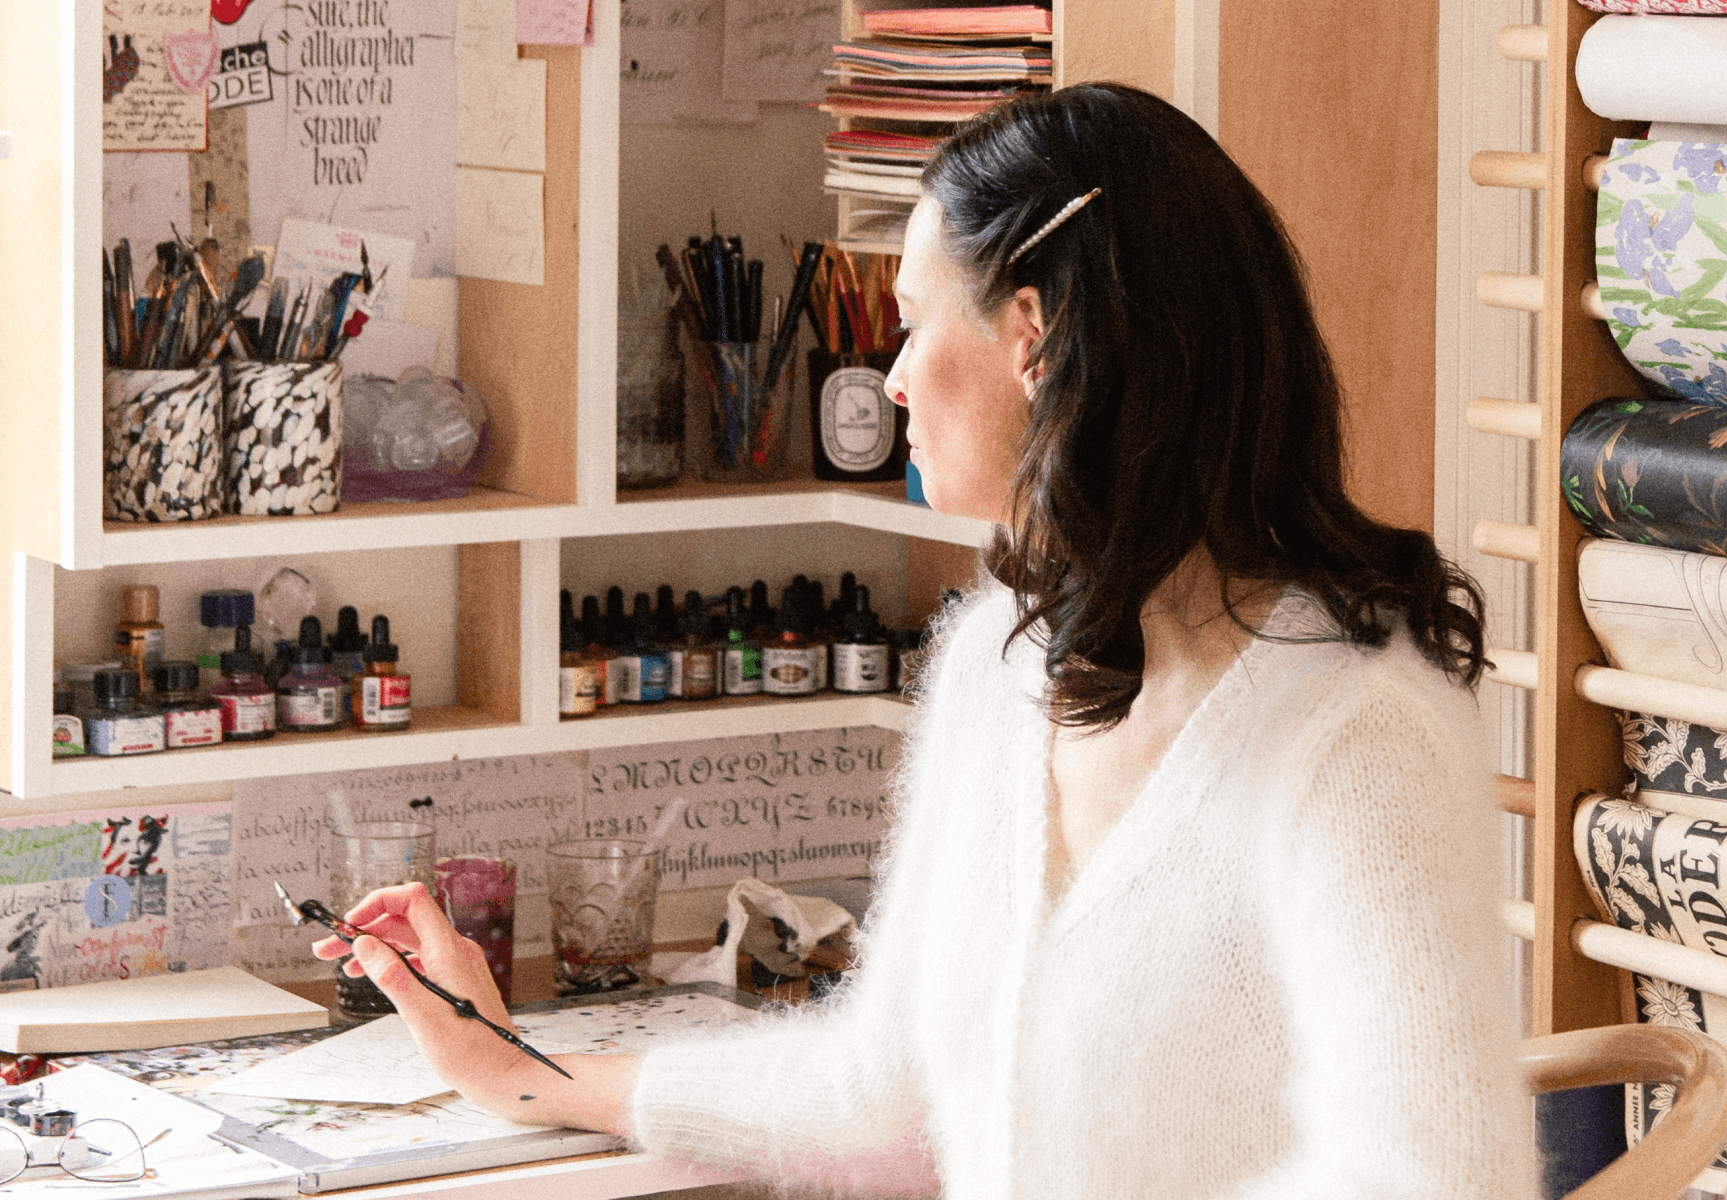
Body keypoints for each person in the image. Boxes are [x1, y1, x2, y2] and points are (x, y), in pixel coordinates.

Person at [317, 83, 1533, 1198]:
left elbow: (1432, 1175)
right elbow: (879, 1092)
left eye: (910, 322)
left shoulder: (1354, 727)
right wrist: (520, 1072)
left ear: (1034, 335)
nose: (889, 378)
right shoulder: (997, 664)